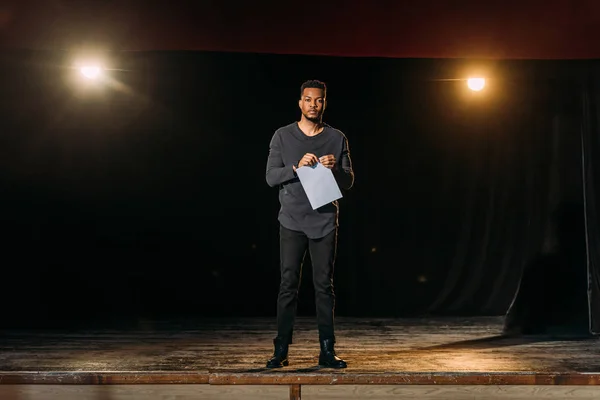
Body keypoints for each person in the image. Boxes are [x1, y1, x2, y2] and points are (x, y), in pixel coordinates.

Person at [265, 79, 354, 368]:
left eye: (318, 100)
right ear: (300, 102)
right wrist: (296, 167)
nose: (313, 104)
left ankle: (327, 350)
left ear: (324, 102)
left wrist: (335, 169)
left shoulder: (337, 137)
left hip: (324, 220)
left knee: (323, 286)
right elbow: (270, 176)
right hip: (291, 219)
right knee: (288, 285)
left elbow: (349, 180)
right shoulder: (282, 135)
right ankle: (281, 350)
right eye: (308, 99)